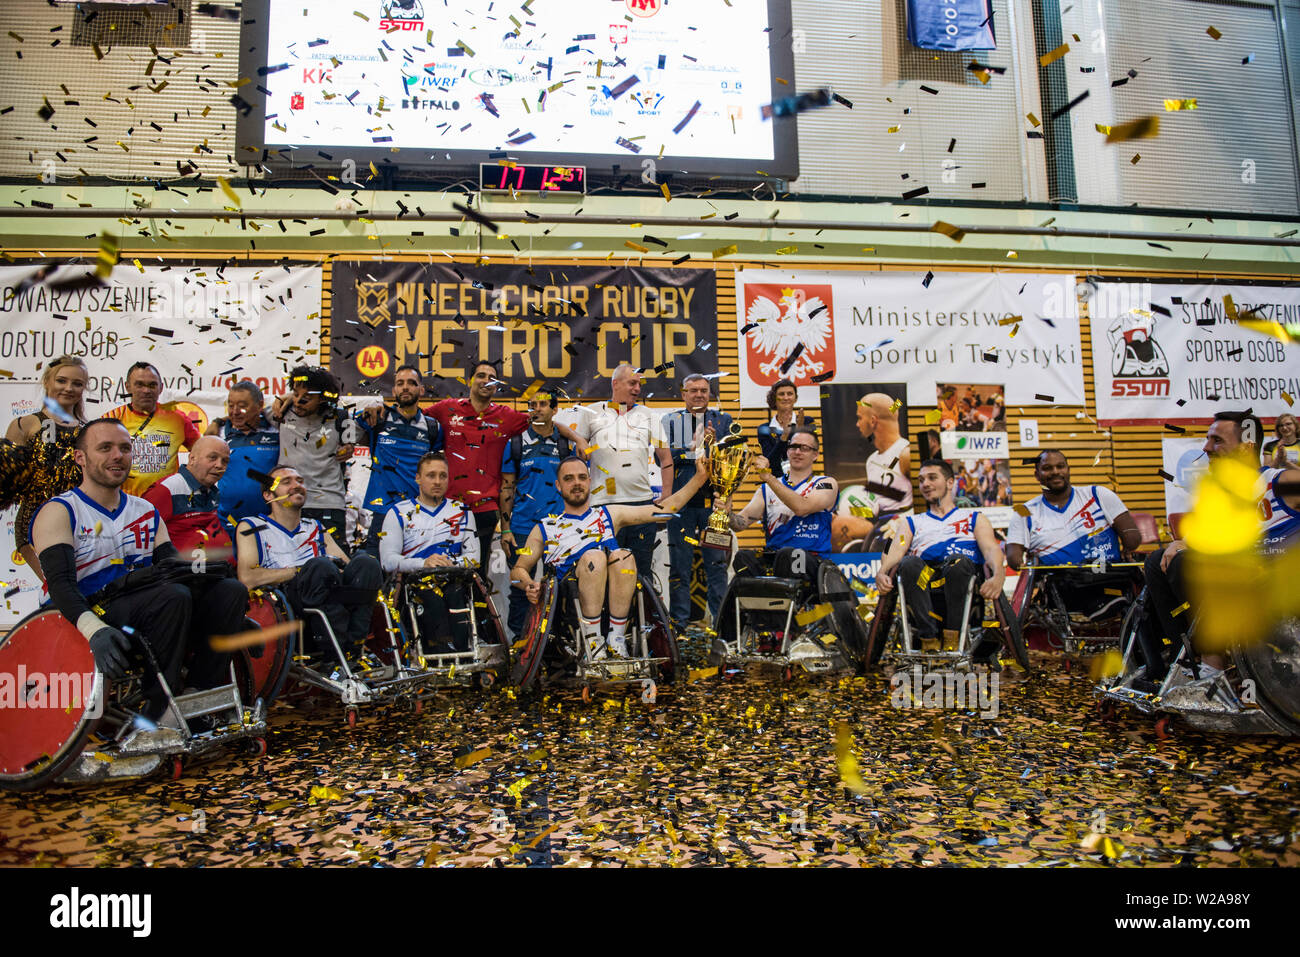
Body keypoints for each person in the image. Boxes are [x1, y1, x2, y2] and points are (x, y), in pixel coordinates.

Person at [30, 420, 186, 720]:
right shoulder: (59, 511)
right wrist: (94, 630)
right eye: (105, 448)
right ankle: (157, 713)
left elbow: (173, 570)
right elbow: (60, 585)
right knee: (173, 597)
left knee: (222, 591)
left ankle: (198, 692)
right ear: (80, 458)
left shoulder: (145, 511)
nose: (118, 456)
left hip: (136, 608)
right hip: (78, 615)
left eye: (125, 448)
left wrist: (222, 615)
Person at [1138, 411, 1300, 684]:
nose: (1206, 448)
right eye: (1207, 440)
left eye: (1216, 441)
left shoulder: (1279, 482)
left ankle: (1213, 664)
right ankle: (1187, 659)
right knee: (1157, 561)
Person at [510, 454, 711, 659]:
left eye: (581, 477)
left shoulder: (609, 514)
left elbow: (666, 511)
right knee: (594, 558)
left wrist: (699, 478)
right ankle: (593, 640)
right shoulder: (545, 527)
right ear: (558, 486)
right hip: (571, 605)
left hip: (616, 594)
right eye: (568, 479)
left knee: (624, 556)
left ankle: (616, 640)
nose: (576, 483)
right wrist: (528, 585)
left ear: (589, 482)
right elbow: (517, 571)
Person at [418, 359, 583, 572]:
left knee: (477, 572)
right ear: (470, 380)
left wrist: (578, 439)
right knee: (442, 570)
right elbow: (413, 418)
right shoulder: (446, 408)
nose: (486, 381)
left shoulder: (507, 416)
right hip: (449, 507)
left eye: (492, 378)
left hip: (485, 508)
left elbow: (544, 421)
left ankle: (479, 606)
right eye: (481, 376)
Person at [235, 465, 382, 661]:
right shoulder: (251, 526)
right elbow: (247, 578)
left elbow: (347, 566)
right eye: (287, 482)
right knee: (320, 566)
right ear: (268, 495)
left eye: (300, 481)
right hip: (288, 603)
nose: (296, 485)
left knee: (366, 563)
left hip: (329, 594)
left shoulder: (314, 526)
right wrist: (301, 571)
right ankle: (335, 655)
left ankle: (353, 649)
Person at [141, 435, 251, 690]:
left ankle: (201, 687)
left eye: (225, 460)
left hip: (206, 577)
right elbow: (140, 535)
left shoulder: (210, 492)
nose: (220, 465)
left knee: (235, 591)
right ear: (191, 458)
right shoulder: (167, 489)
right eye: (212, 458)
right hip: (173, 582)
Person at [875, 459, 1007, 662]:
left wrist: (998, 575)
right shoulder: (912, 522)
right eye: (921, 480)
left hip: (962, 574)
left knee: (957, 562)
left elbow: (991, 549)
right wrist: (882, 572)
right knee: (908, 563)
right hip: (926, 577)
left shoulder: (974, 517)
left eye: (932, 478)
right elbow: (896, 551)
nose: (925, 484)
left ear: (950, 482)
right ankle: (928, 637)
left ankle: (952, 635)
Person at [558, 363, 670, 582]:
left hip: (642, 505)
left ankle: (642, 616)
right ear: (615, 384)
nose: (637, 388)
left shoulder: (649, 415)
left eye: (639, 384)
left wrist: (666, 495)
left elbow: (665, 459)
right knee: (605, 574)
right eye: (632, 383)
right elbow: (560, 428)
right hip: (602, 506)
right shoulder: (591, 413)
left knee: (641, 573)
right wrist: (580, 439)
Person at [1006, 449, 1142, 620]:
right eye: (1047, 468)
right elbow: (1014, 560)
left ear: (1068, 470)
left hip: (1106, 576)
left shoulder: (1097, 495)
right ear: (1037, 475)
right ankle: (1101, 605)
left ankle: (1107, 604)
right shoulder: (1025, 512)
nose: (1055, 471)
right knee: (1065, 580)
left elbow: (1133, 538)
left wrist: (1127, 548)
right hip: (1063, 586)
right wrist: (1032, 562)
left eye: (1060, 466)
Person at [378, 452, 479, 654]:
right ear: (418, 478)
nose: (437, 481)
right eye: (431, 475)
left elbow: (474, 559)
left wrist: (451, 563)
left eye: (443, 476)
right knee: (431, 596)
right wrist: (423, 563)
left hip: (453, 580)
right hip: (415, 583)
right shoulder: (398, 512)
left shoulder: (463, 511)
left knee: (457, 594)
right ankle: (438, 651)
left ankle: (464, 650)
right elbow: (388, 561)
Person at [1, 355, 89, 581]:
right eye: (61, 381)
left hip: (78, 524)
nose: (68, 388)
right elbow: (7, 482)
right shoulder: (25, 424)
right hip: (34, 524)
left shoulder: (90, 431)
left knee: (78, 592)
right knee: (56, 588)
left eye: (77, 383)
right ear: (47, 382)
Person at [660, 374, 733, 633]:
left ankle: (722, 626)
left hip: (715, 509)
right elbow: (664, 459)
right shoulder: (669, 421)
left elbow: (731, 462)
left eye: (704, 390)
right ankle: (678, 626)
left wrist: (715, 449)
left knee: (717, 567)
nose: (699, 394)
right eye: (693, 390)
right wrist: (692, 448)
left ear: (709, 393)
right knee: (679, 568)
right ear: (684, 394)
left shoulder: (724, 421)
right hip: (681, 509)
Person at [499, 391, 574, 637]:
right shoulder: (516, 443)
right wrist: (506, 529)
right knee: (520, 588)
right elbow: (507, 487)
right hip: (521, 527)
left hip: (558, 529)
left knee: (563, 588)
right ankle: (520, 645)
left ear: (555, 409)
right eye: (532, 405)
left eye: (543, 404)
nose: (537, 409)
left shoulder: (564, 444)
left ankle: (558, 643)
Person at [354, 365, 443, 558]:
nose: (405, 388)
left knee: (414, 576)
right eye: (400, 383)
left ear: (421, 390)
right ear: (393, 390)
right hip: (384, 512)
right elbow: (334, 416)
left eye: (412, 383)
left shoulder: (432, 427)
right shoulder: (377, 417)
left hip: (419, 512)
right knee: (376, 573)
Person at [273, 366, 357, 551]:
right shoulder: (281, 413)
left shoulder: (342, 417)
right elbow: (247, 413)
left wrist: (348, 447)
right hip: (289, 501)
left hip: (328, 502)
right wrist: (218, 422)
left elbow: (353, 443)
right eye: (295, 394)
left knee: (334, 561)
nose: (298, 401)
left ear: (322, 397)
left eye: (307, 397)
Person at [725, 427, 838, 560]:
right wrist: (727, 513)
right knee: (743, 558)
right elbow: (740, 524)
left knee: (789, 555)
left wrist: (768, 477)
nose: (797, 452)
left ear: (815, 455)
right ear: (787, 450)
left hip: (810, 558)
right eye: (793, 447)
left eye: (804, 448)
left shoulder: (826, 483)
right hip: (775, 557)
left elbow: (801, 508)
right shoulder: (766, 489)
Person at [106, 361, 201, 497]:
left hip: (167, 501)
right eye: (139, 384)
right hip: (125, 502)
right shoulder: (112, 419)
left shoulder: (177, 419)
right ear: (128, 387)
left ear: (161, 388)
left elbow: (201, 452)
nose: (146, 390)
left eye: (152, 385)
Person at [832, 393, 912, 551]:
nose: (857, 424)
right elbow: (881, 502)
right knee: (834, 523)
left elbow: (930, 503)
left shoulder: (906, 453)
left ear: (873, 421)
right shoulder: (872, 460)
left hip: (903, 527)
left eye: (859, 418)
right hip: (879, 521)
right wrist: (853, 509)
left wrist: (903, 519)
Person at [206, 379, 280, 535]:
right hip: (229, 521)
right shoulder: (219, 432)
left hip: (270, 520)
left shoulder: (278, 429)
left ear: (260, 406)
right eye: (231, 405)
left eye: (242, 406)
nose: (235, 411)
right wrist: (217, 421)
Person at [756, 378, 816, 476]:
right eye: (781, 394)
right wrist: (783, 437)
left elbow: (813, 456)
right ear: (774, 398)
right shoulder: (764, 429)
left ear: (795, 398)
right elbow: (769, 462)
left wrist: (800, 431)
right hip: (776, 482)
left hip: (803, 480)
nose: (786, 397)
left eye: (790, 394)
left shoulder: (807, 422)